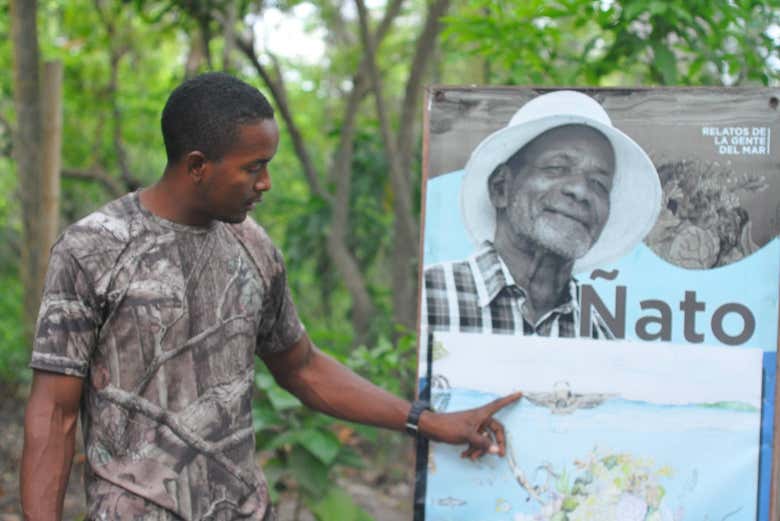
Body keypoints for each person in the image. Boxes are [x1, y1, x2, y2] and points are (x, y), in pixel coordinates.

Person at [20, 72, 521, 521]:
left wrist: (426, 420)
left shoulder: (253, 247)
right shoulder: (94, 248)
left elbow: (302, 367)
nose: (266, 183)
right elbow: (55, 412)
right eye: (253, 167)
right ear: (197, 166)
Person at [422, 91, 661, 340]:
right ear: (501, 187)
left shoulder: (600, 341)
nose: (580, 191)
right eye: (556, 168)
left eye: (599, 184)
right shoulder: (429, 296)